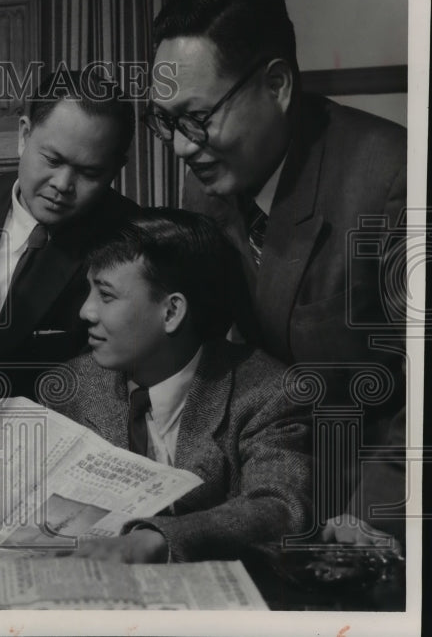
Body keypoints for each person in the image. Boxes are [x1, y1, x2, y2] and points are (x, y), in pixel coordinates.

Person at [147, 0, 406, 523]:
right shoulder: (208, 191)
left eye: (195, 118)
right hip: (274, 488)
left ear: (277, 86)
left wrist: (369, 522)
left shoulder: (392, 179)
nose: (180, 149)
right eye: (164, 123)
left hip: (377, 506)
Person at [50, 209, 311, 563]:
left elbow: (280, 507)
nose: (86, 311)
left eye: (106, 295)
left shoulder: (268, 393)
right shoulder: (74, 386)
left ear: (172, 312)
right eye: (89, 290)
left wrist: (155, 541)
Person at [0, 69, 137, 402]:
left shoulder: (130, 237)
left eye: (90, 173)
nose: (62, 185)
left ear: (114, 171)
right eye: (52, 159)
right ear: (23, 135)